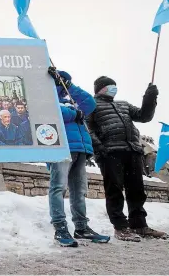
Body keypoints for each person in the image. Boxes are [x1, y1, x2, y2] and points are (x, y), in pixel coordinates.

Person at [87, 76, 168, 241]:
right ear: (100, 89)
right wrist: (99, 148)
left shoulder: (123, 104)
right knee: (114, 190)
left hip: (132, 150)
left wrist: (150, 97)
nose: (113, 88)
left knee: (137, 190)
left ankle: (139, 225)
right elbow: (88, 129)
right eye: (109, 86)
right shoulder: (92, 105)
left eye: (114, 86)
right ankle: (120, 227)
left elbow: (144, 116)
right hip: (110, 153)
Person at [47, 67, 110, 247]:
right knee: (58, 187)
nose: (61, 84)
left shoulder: (71, 99)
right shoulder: (47, 98)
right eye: (59, 80)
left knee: (79, 191)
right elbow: (53, 113)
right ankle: (60, 228)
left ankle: (82, 227)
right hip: (59, 148)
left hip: (80, 148)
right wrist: (75, 114)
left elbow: (90, 103)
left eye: (63, 81)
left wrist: (70, 86)